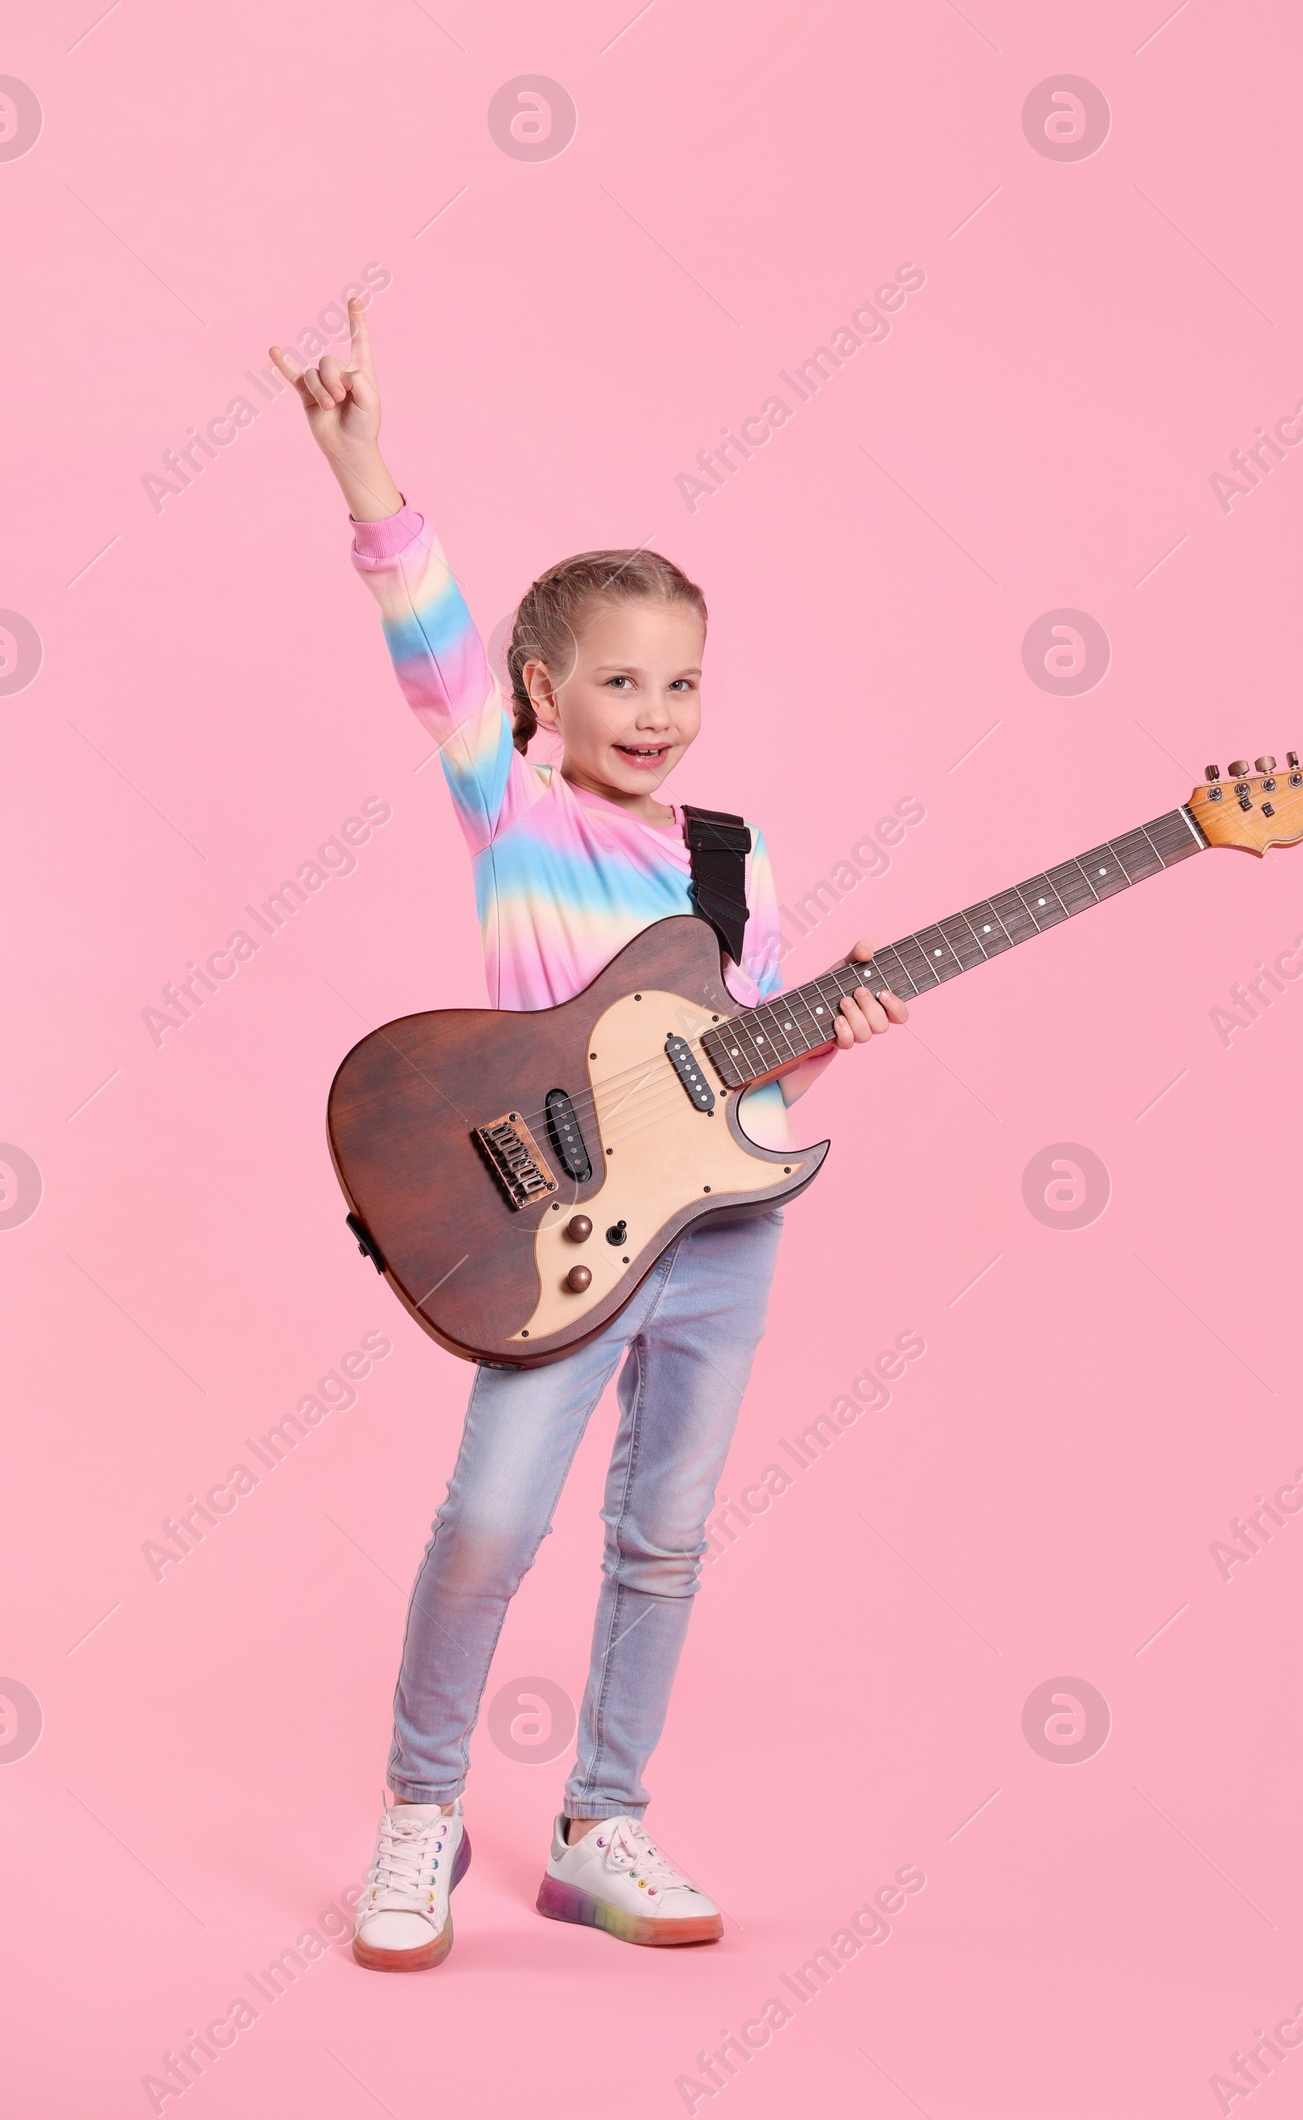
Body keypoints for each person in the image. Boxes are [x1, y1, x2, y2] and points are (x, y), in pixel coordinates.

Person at [269, 298, 906, 1970]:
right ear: (544, 692)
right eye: (620, 679)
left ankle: (601, 1820)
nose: (657, 709)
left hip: (721, 1240)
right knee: (490, 1523)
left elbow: (742, 1075)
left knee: (667, 1535)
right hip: (557, 1234)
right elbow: (428, 642)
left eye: (684, 680)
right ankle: (421, 1817)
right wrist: (364, 469)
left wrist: (832, 1022)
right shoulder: (515, 808)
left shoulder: (732, 857)